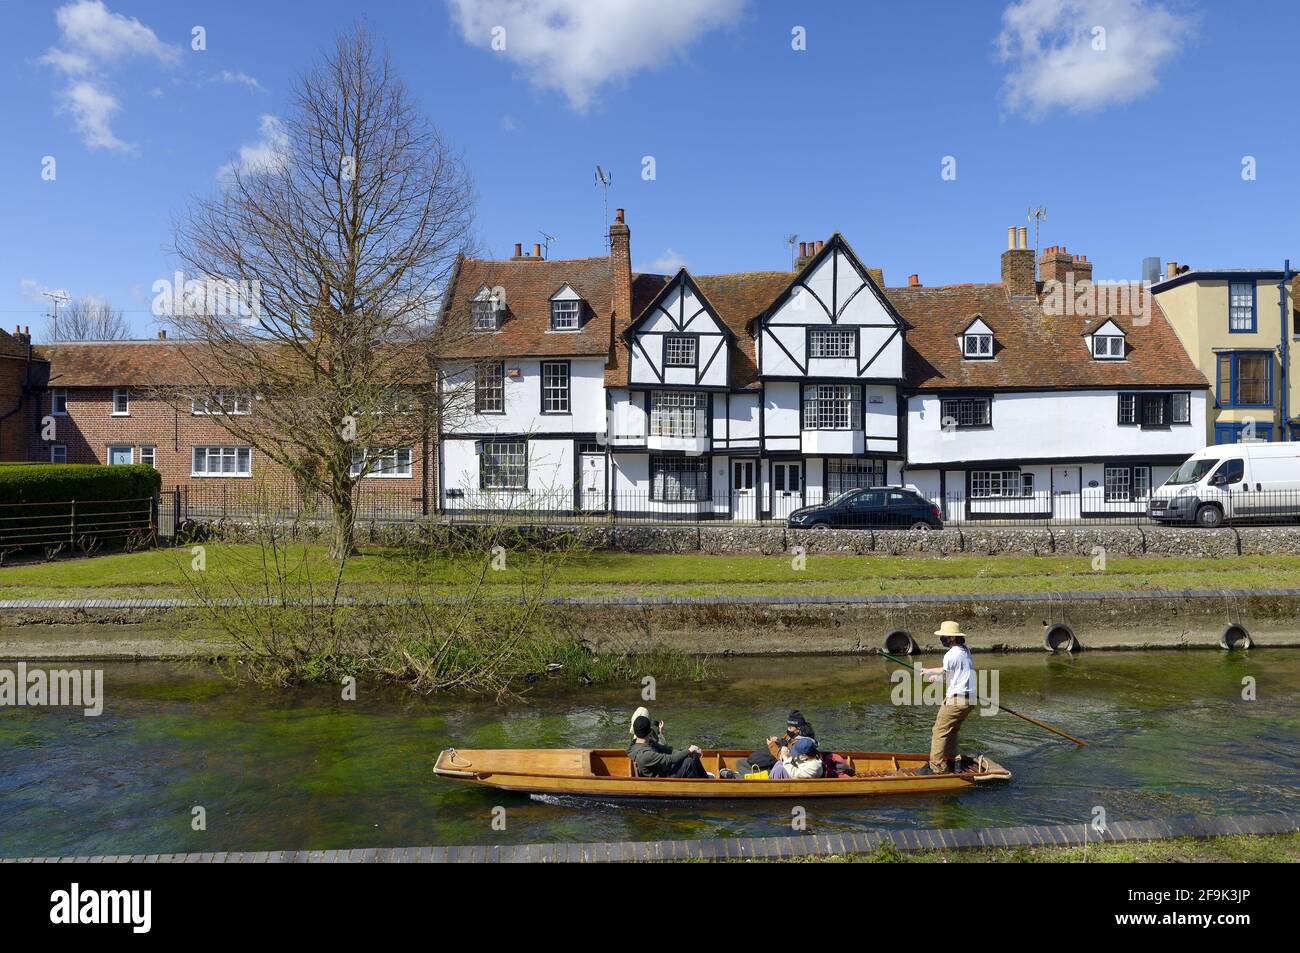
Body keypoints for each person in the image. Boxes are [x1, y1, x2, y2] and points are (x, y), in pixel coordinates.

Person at [915, 620, 976, 775]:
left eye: (944, 636)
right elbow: (953, 676)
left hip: (956, 701)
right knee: (952, 731)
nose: (942, 639)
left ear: (953, 638)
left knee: (939, 731)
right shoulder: (965, 650)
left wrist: (929, 672)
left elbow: (944, 671)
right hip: (969, 700)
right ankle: (953, 762)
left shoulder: (951, 654)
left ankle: (936, 768)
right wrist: (935, 677)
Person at [728, 711, 817, 778]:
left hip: (785, 766)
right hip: (779, 763)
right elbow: (785, 745)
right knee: (741, 762)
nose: (788, 729)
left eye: (790, 727)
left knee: (741, 764)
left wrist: (771, 745)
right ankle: (748, 776)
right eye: (788, 726)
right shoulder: (793, 734)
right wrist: (777, 741)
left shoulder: (803, 743)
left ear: (798, 729)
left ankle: (743, 778)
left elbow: (784, 756)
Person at [627, 715, 711, 778]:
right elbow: (670, 759)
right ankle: (706, 784)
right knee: (689, 762)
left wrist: (689, 751)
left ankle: (705, 779)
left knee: (690, 756)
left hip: (664, 769)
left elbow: (667, 749)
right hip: (663, 780)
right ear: (649, 732)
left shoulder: (643, 743)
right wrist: (689, 750)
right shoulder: (645, 755)